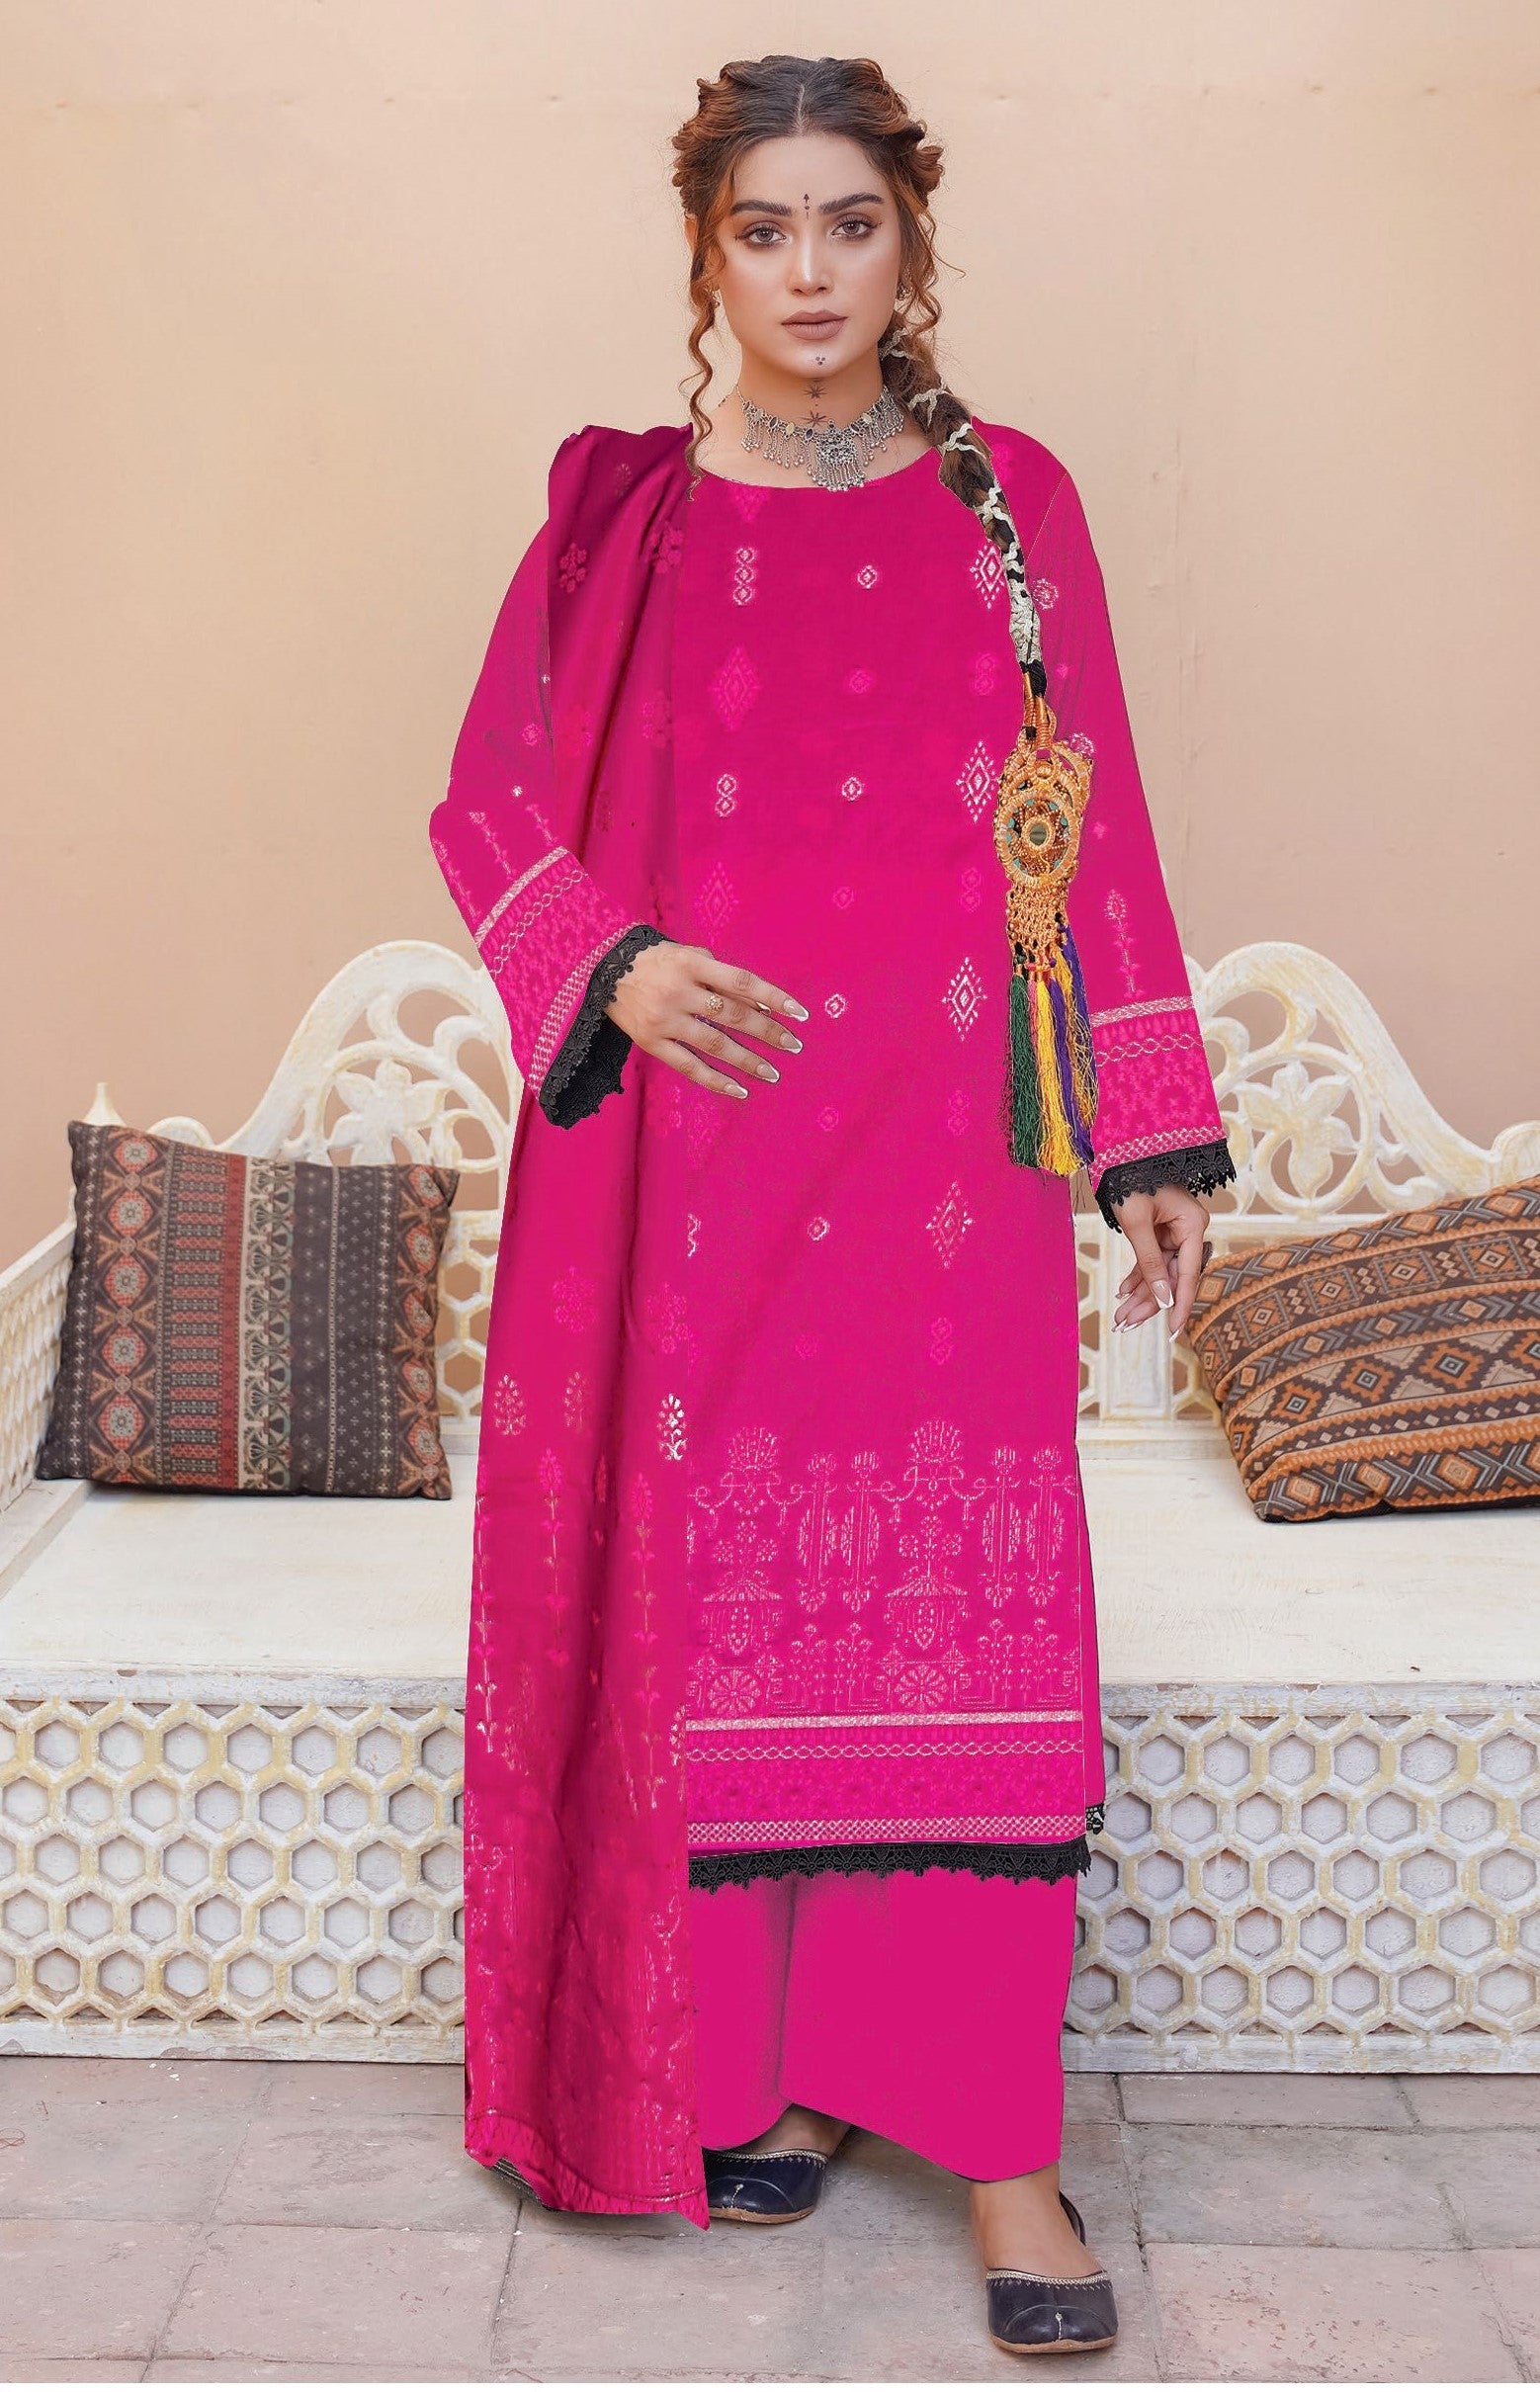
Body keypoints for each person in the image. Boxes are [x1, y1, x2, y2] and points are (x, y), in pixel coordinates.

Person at [430, 52, 1234, 2362]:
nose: (808, 272)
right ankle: (770, 2072)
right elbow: (484, 802)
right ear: (708, 254)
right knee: (729, 1631)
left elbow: (1098, 815)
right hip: (695, 1163)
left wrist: (1149, 1135)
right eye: (763, 229)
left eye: (847, 225)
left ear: (908, 243)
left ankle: (997, 2149)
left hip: (945, 1166)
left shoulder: (1012, 506)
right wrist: (613, 962)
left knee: (956, 1626)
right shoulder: (629, 522)